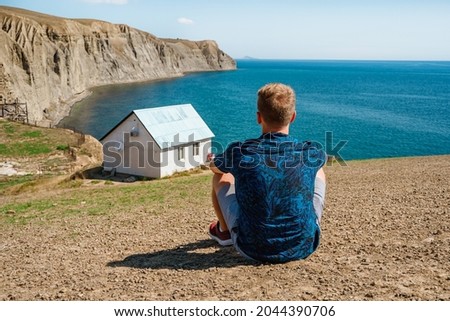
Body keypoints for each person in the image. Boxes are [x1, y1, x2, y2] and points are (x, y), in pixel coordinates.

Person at [208, 83, 327, 263]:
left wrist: (215, 160)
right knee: (318, 170)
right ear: (293, 117)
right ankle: (302, 224)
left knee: (222, 176)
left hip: (252, 248)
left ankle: (224, 233)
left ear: (258, 117)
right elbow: (320, 159)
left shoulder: (240, 151)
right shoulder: (309, 152)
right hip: (304, 245)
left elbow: (216, 168)